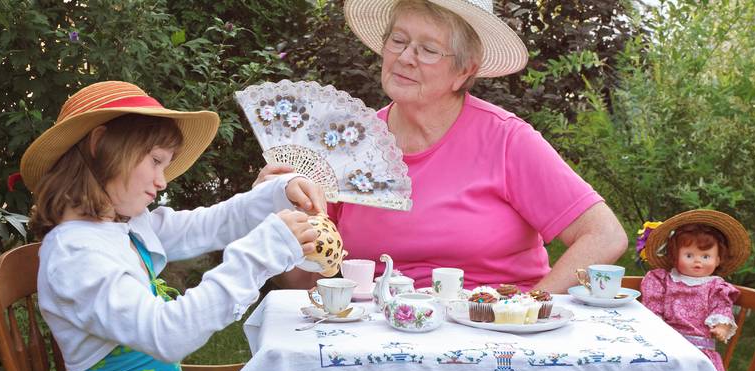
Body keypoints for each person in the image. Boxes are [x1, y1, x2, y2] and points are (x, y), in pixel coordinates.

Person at [20, 81, 325, 371]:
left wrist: (278, 192)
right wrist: (261, 253)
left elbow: (208, 225)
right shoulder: (75, 255)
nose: (162, 181)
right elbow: (167, 335)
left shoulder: (123, 226)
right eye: (155, 160)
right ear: (100, 145)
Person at [263, 0, 628, 293]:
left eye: (428, 49)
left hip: (491, 334)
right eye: (398, 40)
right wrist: (271, 211)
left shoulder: (505, 140)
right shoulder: (348, 144)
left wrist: (530, 309)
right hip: (379, 335)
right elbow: (304, 281)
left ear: (464, 71)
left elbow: (604, 235)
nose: (406, 57)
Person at [639, 209, 751, 371]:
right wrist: (656, 327)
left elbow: (721, 306)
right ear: (675, 256)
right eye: (689, 255)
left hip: (700, 350)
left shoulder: (716, 287)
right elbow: (654, 308)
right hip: (667, 344)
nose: (697, 261)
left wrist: (721, 326)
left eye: (706, 256)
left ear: (718, 260)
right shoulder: (663, 280)